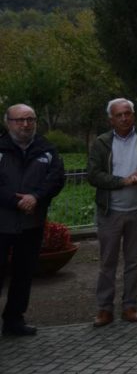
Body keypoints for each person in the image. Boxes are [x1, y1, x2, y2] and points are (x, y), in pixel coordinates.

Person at [86, 98, 137, 327]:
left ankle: (130, 306)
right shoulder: (102, 142)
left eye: (127, 113)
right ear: (110, 119)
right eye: (119, 115)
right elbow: (93, 174)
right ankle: (104, 310)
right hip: (110, 211)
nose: (124, 118)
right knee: (107, 263)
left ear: (133, 115)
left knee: (133, 262)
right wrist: (122, 181)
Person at [0, 104, 66, 336]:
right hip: (2, 223)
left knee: (23, 275)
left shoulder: (46, 149)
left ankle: (14, 321)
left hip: (31, 224)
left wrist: (36, 197)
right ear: (8, 122)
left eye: (30, 119)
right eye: (19, 120)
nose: (25, 124)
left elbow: (56, 178)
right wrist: (15, 201)